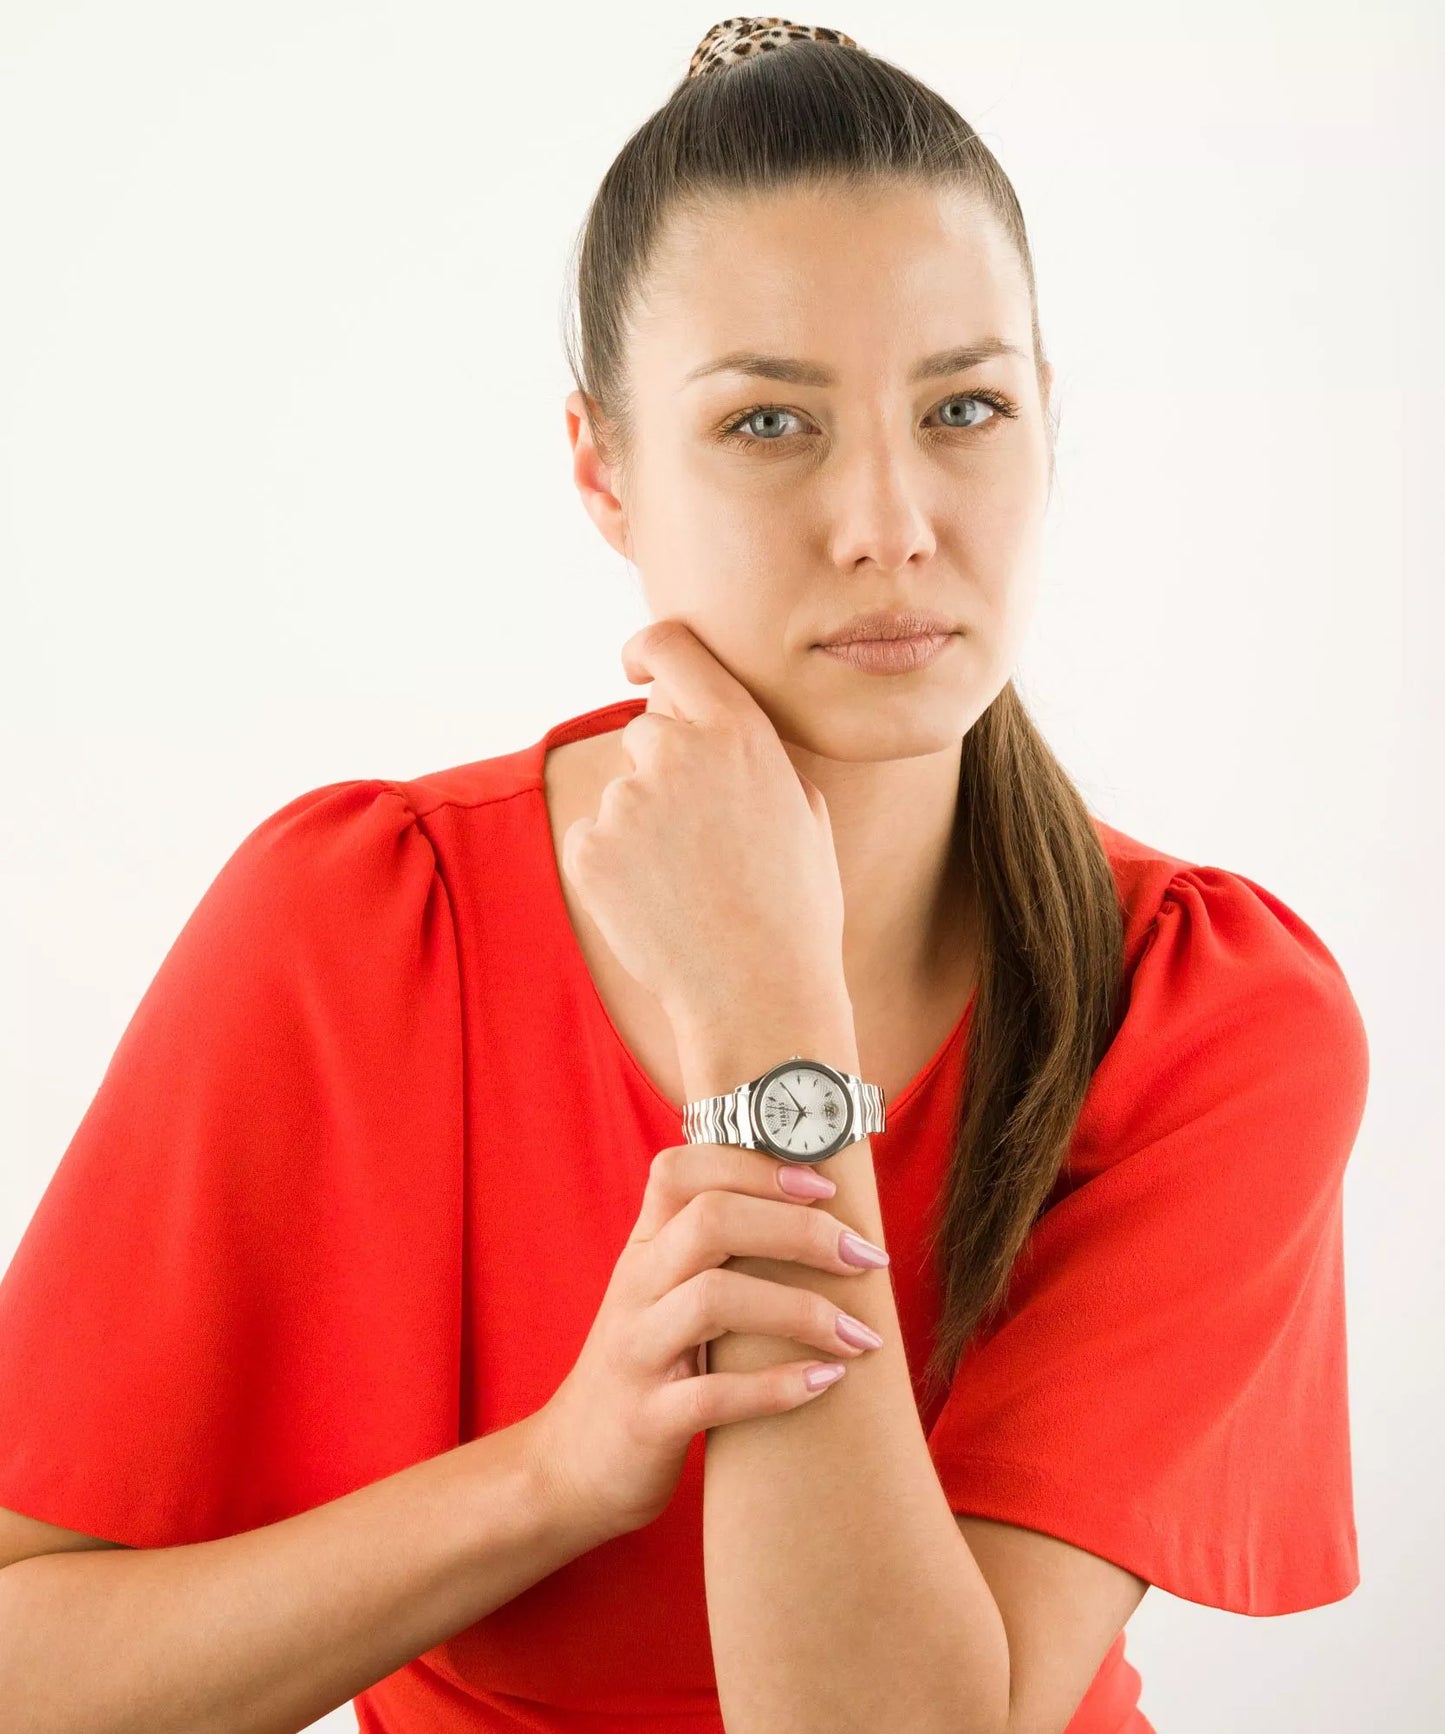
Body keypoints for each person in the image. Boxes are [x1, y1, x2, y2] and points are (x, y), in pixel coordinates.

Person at [0, 17, 1369, 1734]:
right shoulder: (367, 922)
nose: (887, 518)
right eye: (768, 423)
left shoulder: (1207, 1010)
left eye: (963, 406)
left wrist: (762, 1026)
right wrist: (554, 1476)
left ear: (1047, 429)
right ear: (601, 467)